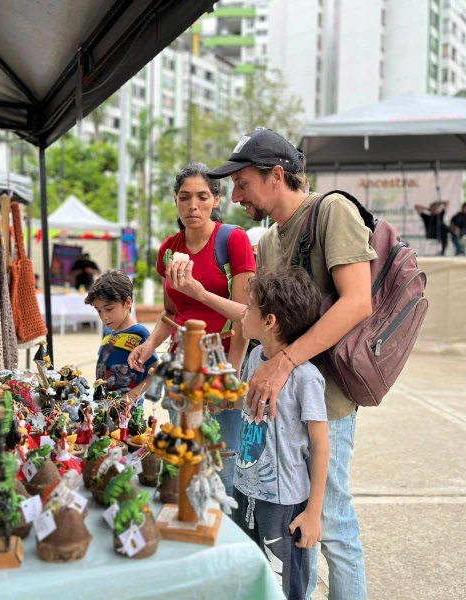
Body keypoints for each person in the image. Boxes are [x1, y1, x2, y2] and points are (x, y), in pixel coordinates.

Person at [165, 129, 372, 600]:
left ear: (276, 175)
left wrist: (284, 364)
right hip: (281, 409)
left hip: (327, 400)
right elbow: (263, 319)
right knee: (297, 530)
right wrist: (202, 295)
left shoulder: (331, 212)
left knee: (332, 523)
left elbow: (358, 302)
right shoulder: (273, 238)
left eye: (241, 184)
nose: (233, 197)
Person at [128, 163, 256, 495]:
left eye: (202, 197)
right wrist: (150, 344)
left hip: (224, 362)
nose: (192, 206)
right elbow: (171, 313)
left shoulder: (233, 240)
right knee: (185, 453)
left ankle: (218, 536)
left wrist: (234, 372)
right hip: (182, 366)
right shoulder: (169, 250)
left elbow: (246, 315)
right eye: (184, 197)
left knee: (221, 463)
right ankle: (188, 524)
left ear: (217, 199)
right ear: (175, 200)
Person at [231, 267, 329, 599]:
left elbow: (320, 444)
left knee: (283, 587)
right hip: (243, 491)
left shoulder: (306, 378)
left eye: (249, 307)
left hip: (282, 504)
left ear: (270, 321)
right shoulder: (256, 355)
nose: (243, 313)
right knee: (248, 578)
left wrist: (313, 512)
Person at [85, 269, 158, 399]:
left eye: (108, 309)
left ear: (128, 302)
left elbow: (156, 370)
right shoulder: (107, 330)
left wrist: (133, 394)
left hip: (128, 410)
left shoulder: (139, 334)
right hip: (105, 402)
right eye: (99, 311)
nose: (104, 317)